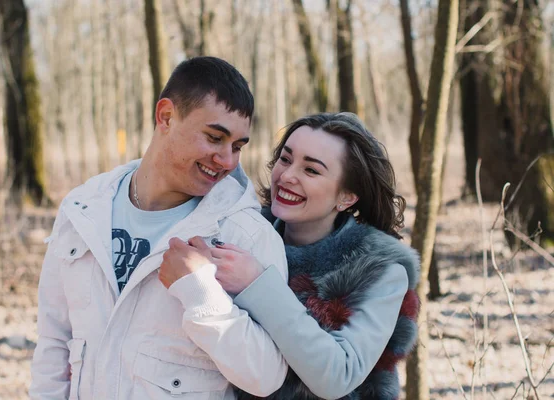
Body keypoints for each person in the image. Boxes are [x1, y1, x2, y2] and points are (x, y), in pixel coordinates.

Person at [29, 56, 289, 399]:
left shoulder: (246, 235)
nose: (228, 161)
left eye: (237, 147)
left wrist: (203, 295)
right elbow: (54, 341)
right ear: (166, 116)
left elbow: (266, 376)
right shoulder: (83, 209)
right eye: (214, 138)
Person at [197, 112, 421, 399]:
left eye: (311, 170)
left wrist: (258, 284)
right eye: (286, 159)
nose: (287, 176)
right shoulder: (243, 233)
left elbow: (339, 375)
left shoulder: (378, 269)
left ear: (347, 196)